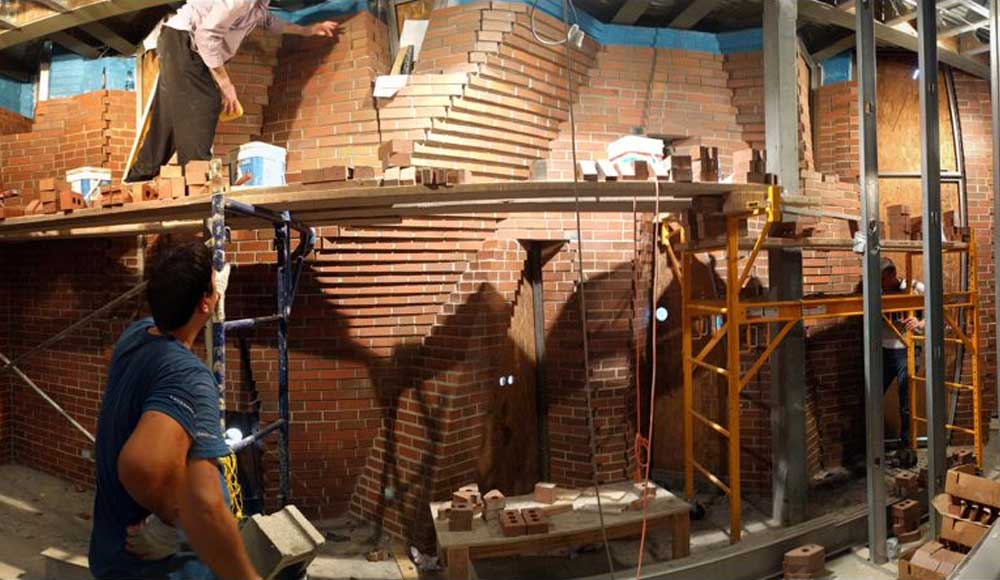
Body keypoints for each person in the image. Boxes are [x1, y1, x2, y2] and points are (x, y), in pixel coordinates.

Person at [88, 242, 260, 580]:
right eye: (212, 286)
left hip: (111, 554)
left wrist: (209, 297)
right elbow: (143, 468)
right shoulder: (190, 378)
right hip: (160, 571)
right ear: (204, 303)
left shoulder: (137, 334)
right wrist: (178, 523)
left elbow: (175, 321)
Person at [126, 0, 339, 182]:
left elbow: (267, 20)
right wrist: (226, 86)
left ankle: (139, 178)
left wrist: (307, 30)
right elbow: (206, 36)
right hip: (184, 40)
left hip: (182, 44)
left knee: (170, 118)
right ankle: (197, 184)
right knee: (204, 103)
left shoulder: (258, 3)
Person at [881, 257, 923, 468]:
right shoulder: (876, 290)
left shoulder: (915, 289)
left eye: (882, 278)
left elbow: (939, 311)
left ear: (891, 274)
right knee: (870, 396)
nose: (879, 283)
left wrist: (920, 322)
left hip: (906, 350)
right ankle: (873, 447)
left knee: (906, 403)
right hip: (883, 351)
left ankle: (906, 449)